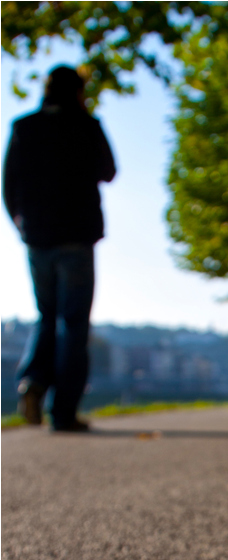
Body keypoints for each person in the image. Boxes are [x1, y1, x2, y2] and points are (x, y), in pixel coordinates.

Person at [2, 65, 116, 431]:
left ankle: (33, 381)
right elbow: (109, 171)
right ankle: (63, 412)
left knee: (46, 314)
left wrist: (20, 225)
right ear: (79, 92)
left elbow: (8, 184)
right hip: (77, 234)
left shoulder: (24, 127)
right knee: (73, 322)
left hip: (37, 234)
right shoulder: (86, 125)